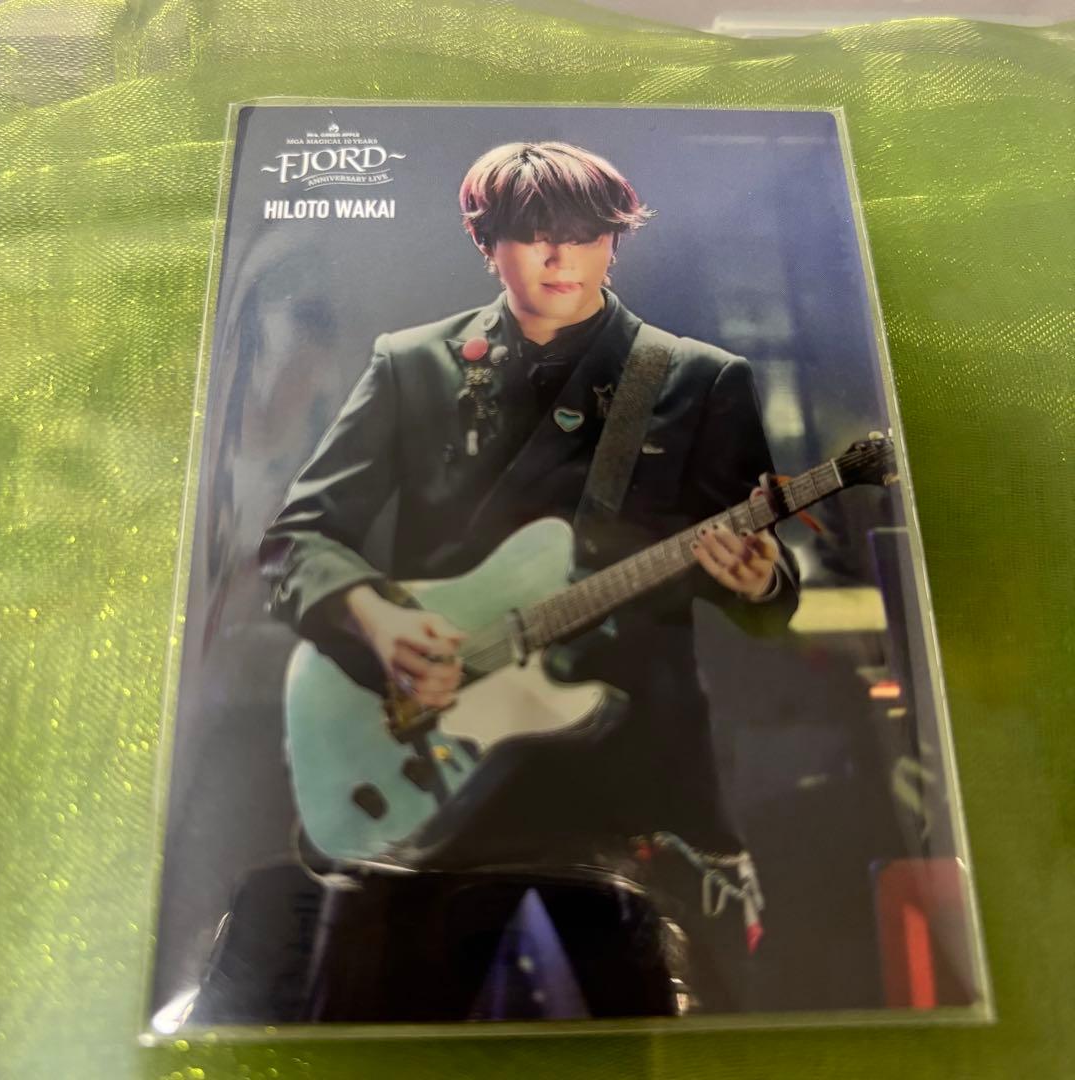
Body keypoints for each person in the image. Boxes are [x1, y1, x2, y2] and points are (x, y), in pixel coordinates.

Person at [257, 141, 799, 1020]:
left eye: (584, 234)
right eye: (534, 234)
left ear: (614, 240)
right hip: (431, 756)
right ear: (486, 243)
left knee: (661, 1049)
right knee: (363, 1037)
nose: (560, 256)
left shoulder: (699, 380)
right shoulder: (414, 364)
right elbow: (296, 537)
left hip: (623, 779)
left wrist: (759, 579)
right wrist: (376, 619)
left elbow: (766, 605)